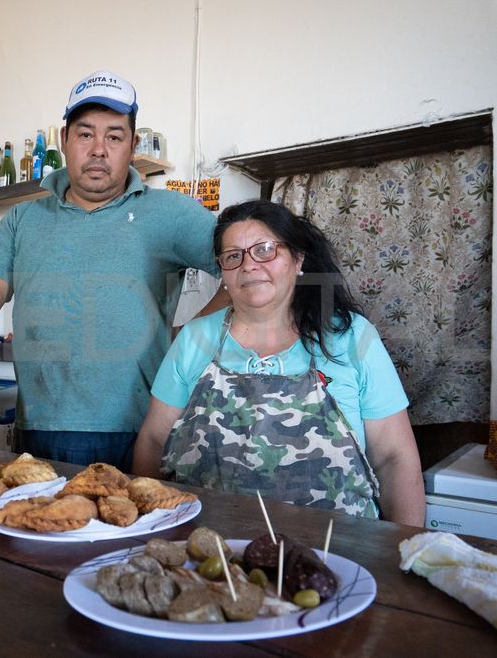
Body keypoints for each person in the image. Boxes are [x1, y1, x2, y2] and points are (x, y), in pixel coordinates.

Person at [0, 69, 226, 470]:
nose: (99, 150)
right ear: (64, 140)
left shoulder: (172, 214)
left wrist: (191, 337)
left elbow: (248, 271)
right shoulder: (22, 220)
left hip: (143, 430)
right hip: (39, 430)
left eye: (114, 137)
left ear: (132, 145)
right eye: (85, 134)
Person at [131, 200, 426, 527]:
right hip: (208, 545)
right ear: (223, 272)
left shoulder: (351, 336)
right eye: (233, 256)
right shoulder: (195, 338)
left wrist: (404, 546)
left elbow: (394, 458)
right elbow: (154, 441)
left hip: (340, 547)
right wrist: (147, 529)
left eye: (265, 250)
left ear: (297, 258)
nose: (248, 265)